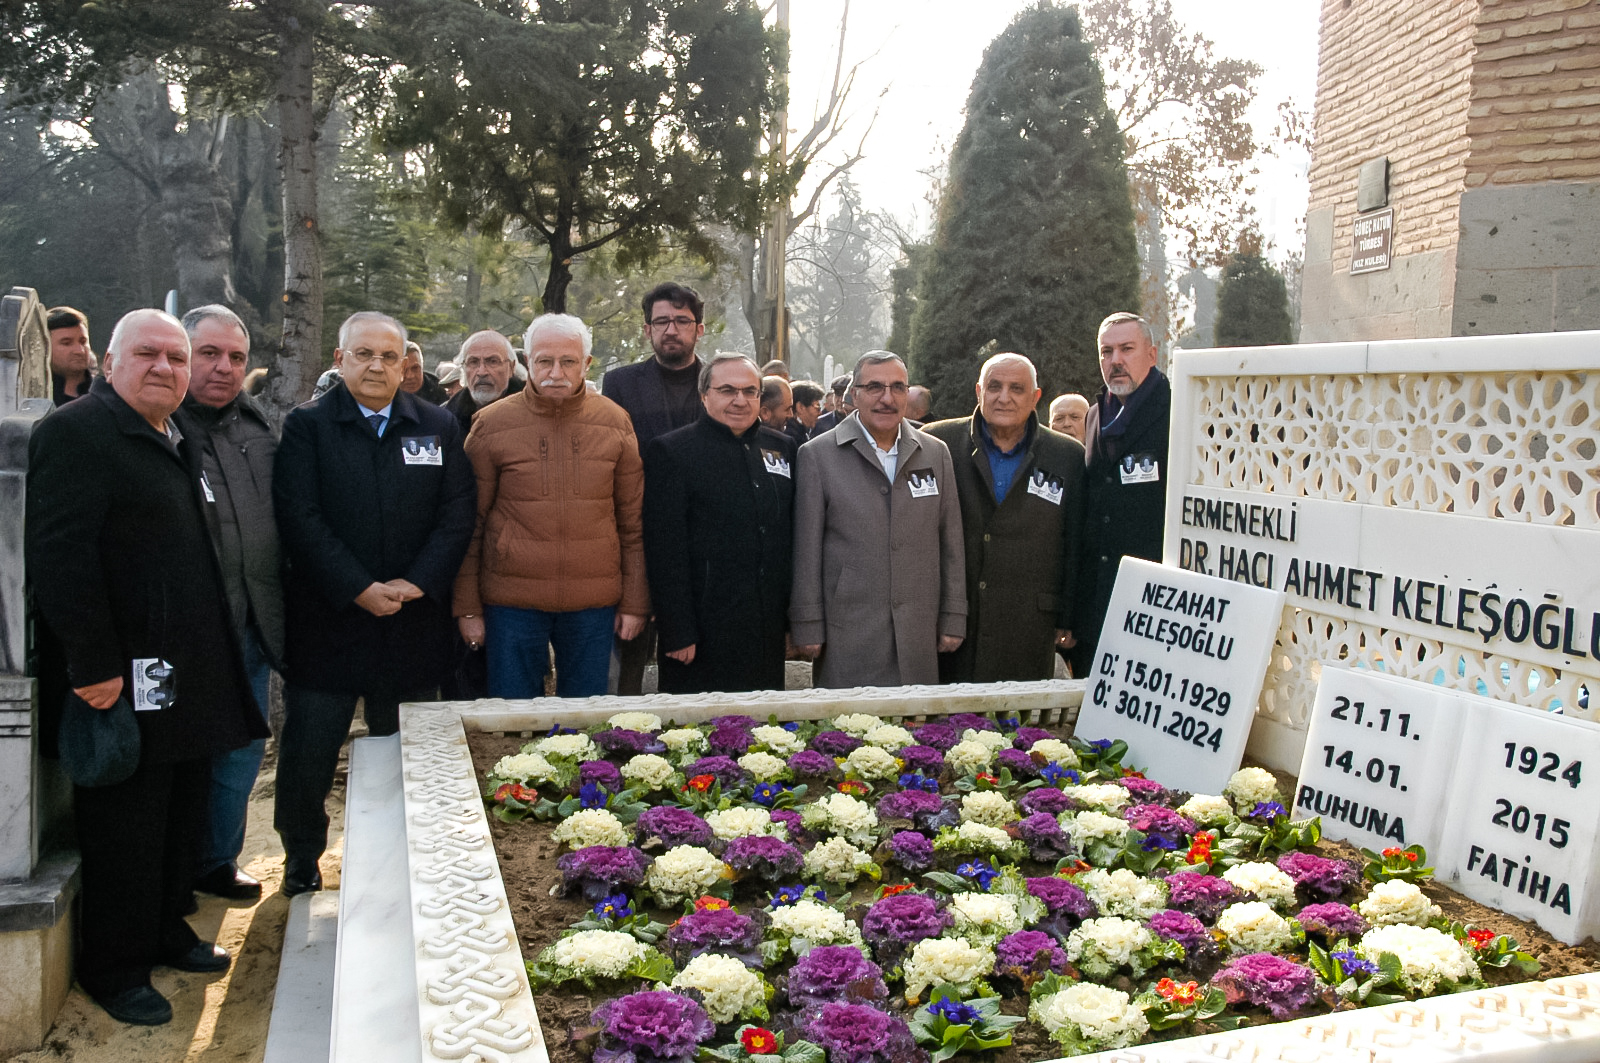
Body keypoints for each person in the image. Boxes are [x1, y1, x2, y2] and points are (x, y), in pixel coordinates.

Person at [26, 308, 267, 1026]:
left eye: (175, 356)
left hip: (185, 667)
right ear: (109, 362)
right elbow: (62, 558)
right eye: (148, 354)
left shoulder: (177, 433)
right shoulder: (78, 434)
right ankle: (115, 965)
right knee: (126, 822)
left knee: (179, 810)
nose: (165, 367)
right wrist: (93, 663)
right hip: (121, 670)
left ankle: (167, 930)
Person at [272, 311, 476, 897]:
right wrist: (358, 587)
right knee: (310, 748)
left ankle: (405, 848)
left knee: (406, 747)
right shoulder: (308, 427)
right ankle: (303, 854)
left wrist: (418, 582)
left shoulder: (436, 426)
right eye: (363, 355)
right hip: (331, 620)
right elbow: (300, 518)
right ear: (340, 361)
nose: (377, 367)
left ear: (404, 364)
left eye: (389, 357)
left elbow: (456, 513)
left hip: (412, 621)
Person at [455, 314, 648, 698]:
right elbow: (468, 526)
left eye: (568, 361)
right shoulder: (491, 425)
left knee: (585, 727)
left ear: (587, 364)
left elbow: (632, 524)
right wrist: (468, 608)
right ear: (527, 361)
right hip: (511, 605)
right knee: (512, 724)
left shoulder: (615, 423)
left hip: (593, 606)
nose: (555, 372)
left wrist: (635, 601)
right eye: (544, 361)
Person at [179, 304, 283, 903]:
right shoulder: (163, 427)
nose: (223, 368)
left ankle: (219, 859)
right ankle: (177, 871)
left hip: (252, 624)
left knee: (242, 748)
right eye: (208, 354)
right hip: (189, 631)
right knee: (188, 754)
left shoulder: (254, 428)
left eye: (236, 357)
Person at [790, 351, 966, 687]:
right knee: (846, 734)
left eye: (897, 387)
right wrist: (808, 624)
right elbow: (806, 549)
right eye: (874, 387)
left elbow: (951, 541)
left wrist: (954, 616)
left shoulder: (935, 452)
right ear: (854, 395)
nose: (887, 398)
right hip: (849, 632)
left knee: (918, 734)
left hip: (919, 629)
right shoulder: (817, 455)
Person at [923, 353, 1085, 682]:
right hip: (951, 621)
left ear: (1036, 397)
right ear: (979, 391)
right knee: (943, 725)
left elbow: (1075, 539)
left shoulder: (1067, 456)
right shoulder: (937, 443)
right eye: (994, 387)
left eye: (1016, 388)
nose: (1004, 397)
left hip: (1029, 622)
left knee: (1016, 726)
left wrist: (1068, 613)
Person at [642, 354, 795, 693]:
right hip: (702, 628)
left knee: (764, 733)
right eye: (727, 390)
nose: (740, 400)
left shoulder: (782, 448)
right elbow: (664, 548)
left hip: (765, 626)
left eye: (750, 391)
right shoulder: (672, 452)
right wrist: (677, 630)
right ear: (704, 395)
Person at [601, 282, 707, 694]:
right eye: (662, 321)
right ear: (647, 329)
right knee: (629, 656)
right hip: (637, 530)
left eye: (682, 321)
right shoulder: (622, 384)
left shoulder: (719, 383)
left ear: (699, 328)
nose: (671, 330)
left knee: (691, 658)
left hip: (699, 536)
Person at [1067, 312, 1171, 676]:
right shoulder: (1095, 416)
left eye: (1127, 349)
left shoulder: (1177, 410)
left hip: (1155, 602)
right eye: (1106, 352)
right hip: (1098, 603)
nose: (1116, 361)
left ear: (1152, 354)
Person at [442, 330, 523, 433]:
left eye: (492, 361)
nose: (482, 372)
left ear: (511, 367)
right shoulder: (445, 419)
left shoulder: (535, 412)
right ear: (463, 367)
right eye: (473, 362)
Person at [48, 305, 93, 405]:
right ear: (46, 348)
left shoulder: (106, 395)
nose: (79, 351)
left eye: (83, 342)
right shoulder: (32, 396)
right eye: (66, 343)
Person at [788, 379, 825, 445]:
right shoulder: (792, 437)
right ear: (800, 407)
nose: (820, 413)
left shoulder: (799, 431)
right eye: (817, 407)